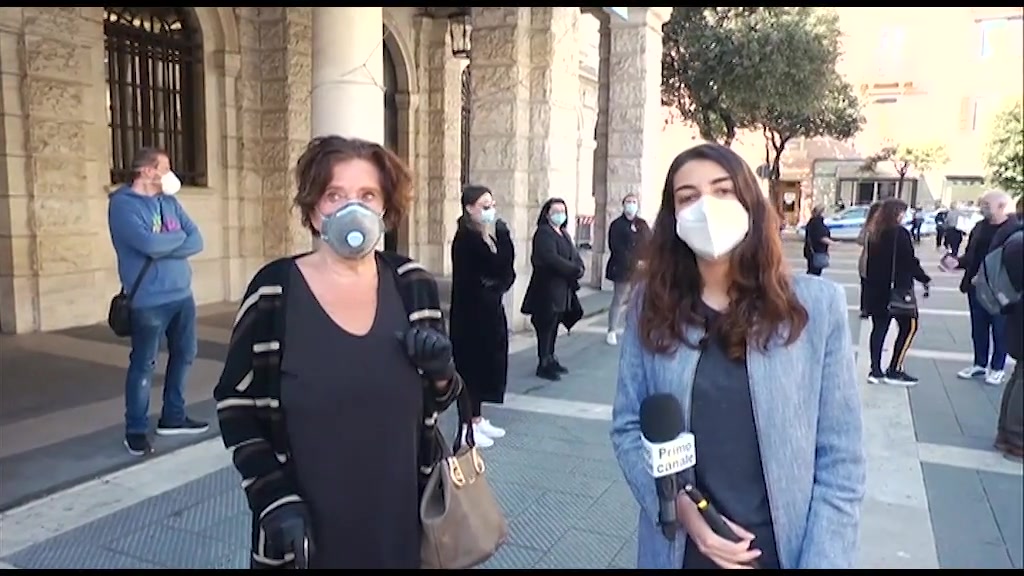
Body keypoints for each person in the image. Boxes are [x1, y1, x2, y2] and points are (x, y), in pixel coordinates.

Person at [610, 143, 865, 570]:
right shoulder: (649, 306)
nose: (705, 207)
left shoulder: (817, 308)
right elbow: (628, 428)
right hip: (682, 550)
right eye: (687, 197)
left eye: (722, 191)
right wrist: (683, 513)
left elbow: (841, 460)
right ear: (672, 218)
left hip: (786, 552)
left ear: (749, 203)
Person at [212, 136, 463, 569]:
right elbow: (236, 405)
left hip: (401, 526)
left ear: (386, 209)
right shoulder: (273, 290)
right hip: (305, 534)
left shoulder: (413, 284)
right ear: (313, 210)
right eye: (335, 195)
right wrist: (273, 497)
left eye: (367, 195)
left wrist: (442, 373)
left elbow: (438, 396)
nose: (353, 208)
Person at [107, 147, 207, 456]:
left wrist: (166, 244)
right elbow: (149, 244)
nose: (171, 173)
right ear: (148, 171)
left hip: (182, 295)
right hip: (148, 301)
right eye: (165, 167)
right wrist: (174, 241)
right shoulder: (123, 206)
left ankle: (173, 417)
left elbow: (198, 239)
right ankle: (135, 429)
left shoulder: (170, 202)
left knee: (185, 354)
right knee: (144, 364)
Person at [449, 185, 516, 449]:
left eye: (492, 205)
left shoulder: (486, 235)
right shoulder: (466, 239)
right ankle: (467, 424)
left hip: (488, 312)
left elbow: (504, 271)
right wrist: (496, 281)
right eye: (484, 206)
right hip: (471, 317)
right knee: (470, 371)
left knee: (486, 367)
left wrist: (499, 281)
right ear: (469, 208)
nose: (490, 211)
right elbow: (485, 274)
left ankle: (477, 419)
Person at [950, 190, 1020, 386]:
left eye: (986, 205)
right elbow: (971, 255)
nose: (982, 208)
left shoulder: (1014, 229)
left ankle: (997, 368)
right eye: (982, 204)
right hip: (975, 288)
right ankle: (979, 364)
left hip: (1000, 290)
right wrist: (957, 263)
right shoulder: (980, 227)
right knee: (978, 328)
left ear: (1001, 206)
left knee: (1000, 329)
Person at [863, 198, 932, 386]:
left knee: (879, 329)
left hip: (878, 290)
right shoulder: (899, 233)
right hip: (898, 290)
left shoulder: (875, 233)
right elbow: (909, 261)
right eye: (903, 212)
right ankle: (894, 368)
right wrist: (924, 278)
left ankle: (875, 370)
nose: (905, 215)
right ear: (897, 213)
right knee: (909, 326)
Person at [521, 198, 586, 381]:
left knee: (555, 325)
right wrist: (573, 270)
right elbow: (550, 258)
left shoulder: (564, 233)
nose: (559, 214)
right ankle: (543, 362)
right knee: (545, 326)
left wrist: (579, 268)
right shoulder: (543, 233)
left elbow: (574, 255)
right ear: (547, 213)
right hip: (547, 289)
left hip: (563, 290)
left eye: (562, 211)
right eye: (555, 211)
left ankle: (551, 358)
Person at [996, 196, 1023, 462]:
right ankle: (1014, 437)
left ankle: (1007, 434)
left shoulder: (1013, 237)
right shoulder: (1019, 241)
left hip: (1015, 314)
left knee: (1019, 375)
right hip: (1019, 313)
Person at [605, 193, 651, 346]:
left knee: (637, 300)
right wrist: (633, 262)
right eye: (628, 202)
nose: (631, 205)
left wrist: (646, 260)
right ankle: (612, 330)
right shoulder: (617, 225)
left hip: (640, 270)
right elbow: (616, 247)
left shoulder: (642, 224)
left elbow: (649, 243)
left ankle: (633, 328)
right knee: (619, 299)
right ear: (623, 205)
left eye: (634, 202)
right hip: (622, 268)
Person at [856, 201, 884, 319]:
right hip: (866, 260)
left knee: (874, 285)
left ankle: (872, 307)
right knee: (865, 285)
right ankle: (865, 309)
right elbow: (860, 240)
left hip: (879, 261)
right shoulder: (867, 225)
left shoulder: (885, 226)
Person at [803, 204, 833, 276]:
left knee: (812, 271)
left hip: (812, 251)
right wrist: (833, 243)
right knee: (814, 272)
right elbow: (821, 237)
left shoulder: (812, 222)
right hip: (816, 251)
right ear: (821, 212)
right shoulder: (817, 223)